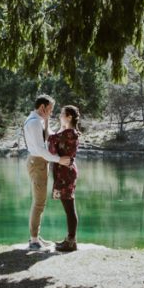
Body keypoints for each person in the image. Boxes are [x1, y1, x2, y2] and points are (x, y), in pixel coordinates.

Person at [23, 95, 71, 250]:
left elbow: (51, 136)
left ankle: (36, 237)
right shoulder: (34, 122)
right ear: (42, 107)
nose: (51, 112)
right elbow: (39, 149)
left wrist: (54, 123)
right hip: (37, 162)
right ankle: (33, 240)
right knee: (38, 202)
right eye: (50, 109)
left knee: (40, 202)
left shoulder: (38, 121)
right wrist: (58, 160)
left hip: (39, 162)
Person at [48, 105, 81, 252]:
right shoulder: (67, 132)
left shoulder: (68, 133)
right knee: (68, 207)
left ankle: (71, 241)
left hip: (66, 173)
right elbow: (53, 146)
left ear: (69, 117)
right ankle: (70, 239)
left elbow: (51, 142)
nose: (60, 116)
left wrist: (47, 124)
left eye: (62, 114)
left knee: (69, 208)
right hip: (64, 172)